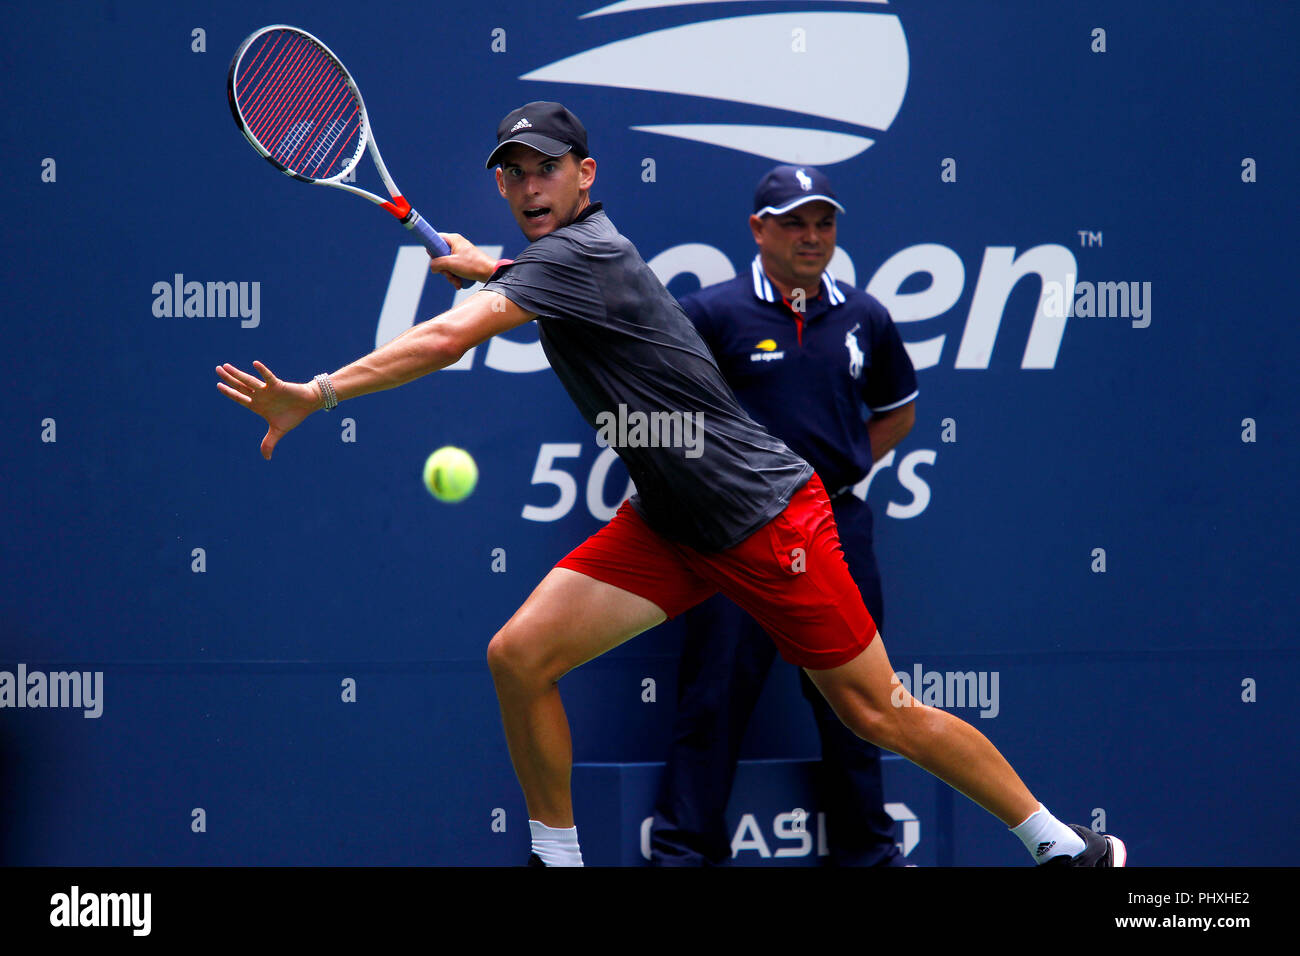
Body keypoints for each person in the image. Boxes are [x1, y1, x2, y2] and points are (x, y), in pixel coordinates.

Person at [215, 101, 1125, 868]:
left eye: (548, 169)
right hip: (672, 525)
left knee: (878, 712)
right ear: (501, 184)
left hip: (764, 517)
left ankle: (1060, 846)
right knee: (519, 656)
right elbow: (529, 286)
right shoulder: (566, 259)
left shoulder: (578, 256)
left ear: (585, 174)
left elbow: (448, 337)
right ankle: (557, 859)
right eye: (514, 172)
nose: (530, 186)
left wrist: (320, 391)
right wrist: (487, 266)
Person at [650, 165, 916, 867]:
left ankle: (870, 857)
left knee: (858, 707)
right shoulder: (711, 313)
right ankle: (683, 856)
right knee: (712, 700)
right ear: (758, 230)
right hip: (735, 540)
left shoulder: (866, 315)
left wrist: (844, 469)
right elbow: (665, 416)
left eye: (823, 222)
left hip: (837, 532)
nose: (812, 236)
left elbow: (897, 411)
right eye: (794, 222)